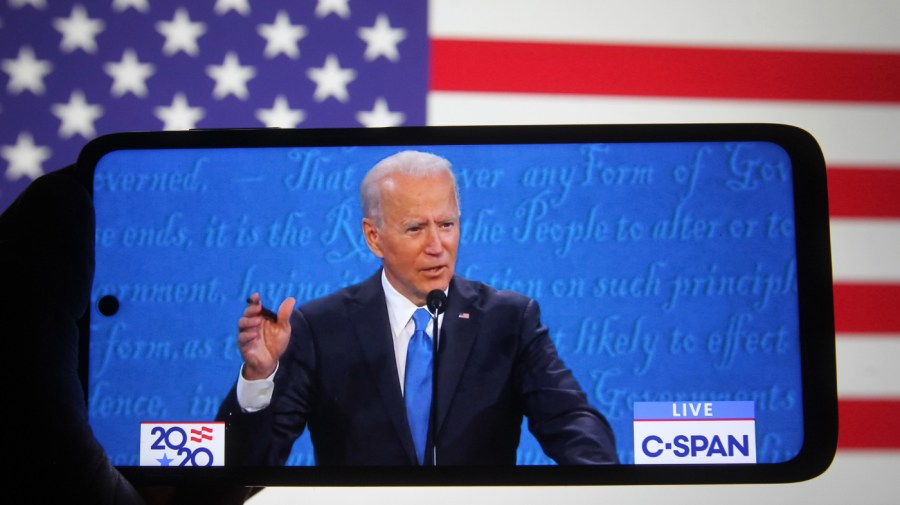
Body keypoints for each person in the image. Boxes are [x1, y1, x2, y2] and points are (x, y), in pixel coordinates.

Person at [216, 151, 618, 466]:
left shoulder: (509, 321)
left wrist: (608, 488)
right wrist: (259, 376)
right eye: (415, 228)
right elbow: (252, 465)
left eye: (446, 224)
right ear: (374, 238)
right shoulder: (322, 328)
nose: (436, 245)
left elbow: (571, 421)